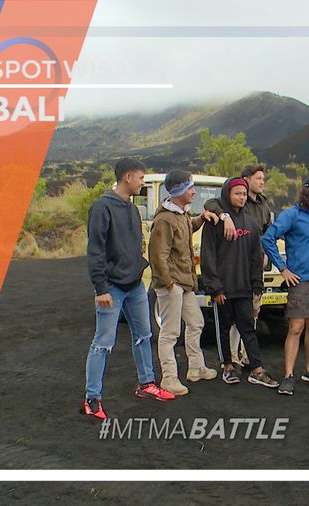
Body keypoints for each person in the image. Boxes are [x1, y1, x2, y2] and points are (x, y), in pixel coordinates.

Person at [83, 158, 174, 419]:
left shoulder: (132, 209)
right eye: (141, 178)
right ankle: (92, 399)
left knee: (144, 335)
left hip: (135, 286)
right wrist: (101, 288)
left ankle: (146, 385)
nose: (142, 183)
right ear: (128, 177)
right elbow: (95, 251)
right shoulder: (102, 208)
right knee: (103, 343)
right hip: (111, 287)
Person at [262, 174, 309, 396]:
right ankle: (288, 375)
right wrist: (283, 269)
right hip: (300, 280)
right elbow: (268, 238)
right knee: (296, 328)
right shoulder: (292, 215)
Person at [201, 178, 279, 388]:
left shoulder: (251, 224)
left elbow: (256, 257)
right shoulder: (214, 224)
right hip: (223, 289)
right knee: (223, 329)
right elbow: (208, 257)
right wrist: (215, 287)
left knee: (248, 329)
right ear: (227, 194)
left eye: (244, 194)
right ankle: (227, 366)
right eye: (237, 193)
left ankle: (257, 370)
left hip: (244, 288)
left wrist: (257, 285)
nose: (242, 197)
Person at [148, 170, 217, 397]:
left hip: (184, 282)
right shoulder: (164, 219)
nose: (194, 192)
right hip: (172, 283)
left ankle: (196, 367)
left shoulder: (181, 214)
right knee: (170, 333)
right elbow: (157, 254)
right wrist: (168, 283)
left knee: (196, 322)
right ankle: (169, 378)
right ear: (179, 191)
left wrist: (201, 219)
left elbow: (185, 230)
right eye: (190, 188)